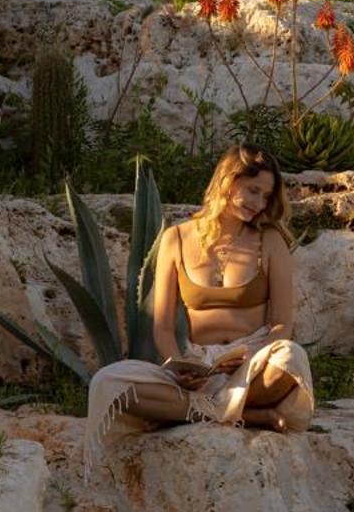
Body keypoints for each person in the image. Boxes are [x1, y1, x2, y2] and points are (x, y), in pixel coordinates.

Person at [85, 144, 314, 455]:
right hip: (199, 367)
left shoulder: (270, 241)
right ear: (227, 181)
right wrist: (181, 368)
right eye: (253, 191)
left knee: (290, 359)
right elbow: (163, 327)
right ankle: (247, 413)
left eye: (266, 196)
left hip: (254, 364)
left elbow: (282, 324)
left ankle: (195, 411)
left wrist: (250, 356)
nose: (260, 204)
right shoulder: (175, 239)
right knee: (107, 382)